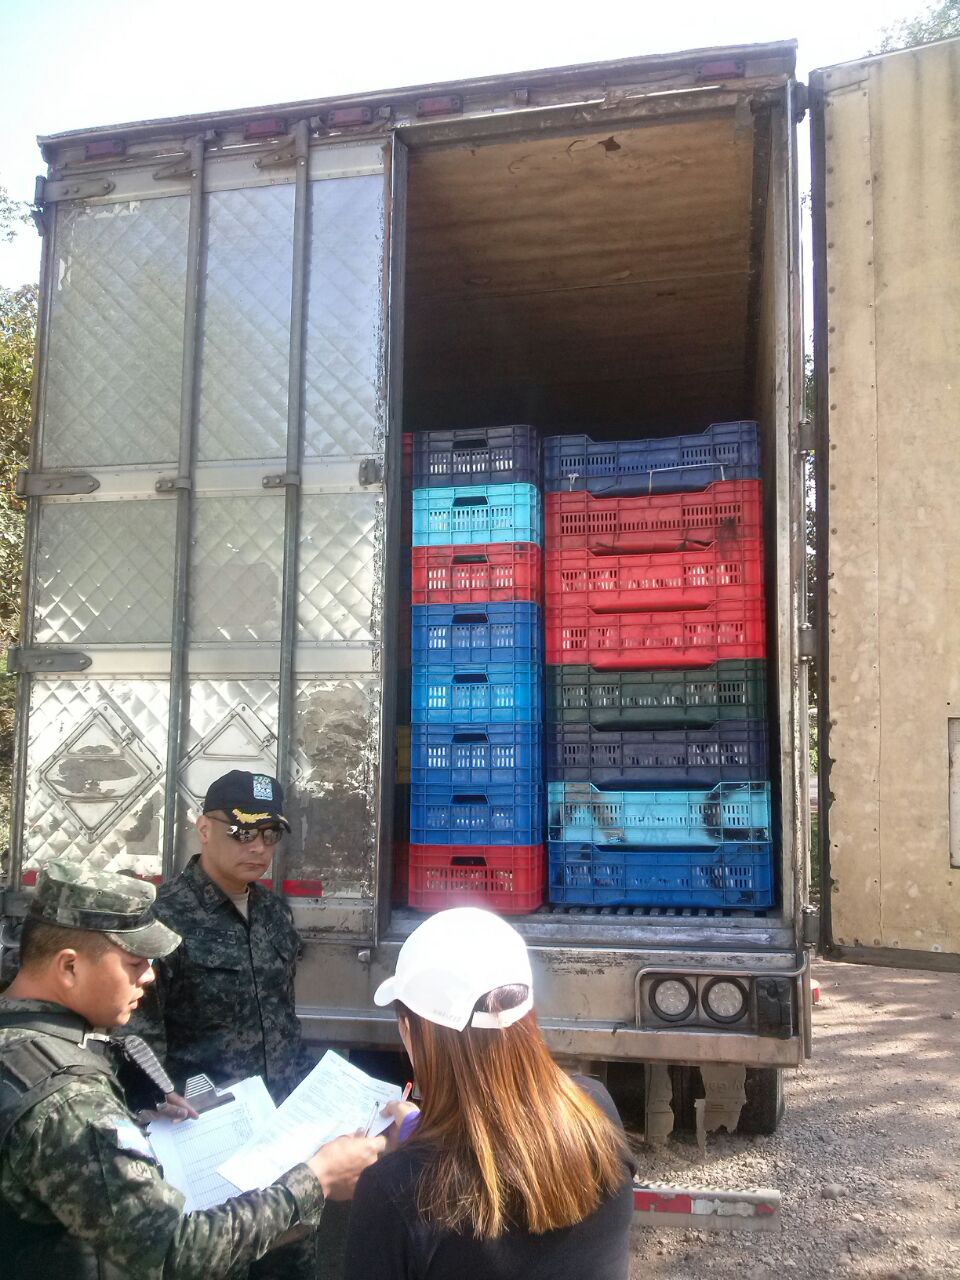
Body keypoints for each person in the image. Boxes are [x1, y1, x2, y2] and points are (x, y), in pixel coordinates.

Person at [0, 861, 384, 1279]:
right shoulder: (69, 1102)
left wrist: (135, 1118)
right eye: (134, 963)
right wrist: (316, 1178)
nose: (149, 976)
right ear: (69, 967)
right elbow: (175, 1249)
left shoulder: (20, 1040)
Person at [342, 907, 637, 1280]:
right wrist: (418, 1131)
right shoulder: (595, 1109)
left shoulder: (392, 1192)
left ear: (413, 1031)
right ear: (526, 1012)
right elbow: (502, 1148)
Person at [127, 769, 311, 1104]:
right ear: (204, 830)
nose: (258, 847)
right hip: (202, 1119)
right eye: (243, 833)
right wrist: (157, 1102)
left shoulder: (274, 913)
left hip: (279, 1110)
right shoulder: (163, 916)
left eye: (270, 834)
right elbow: (137, 1037)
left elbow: (284, 1024)